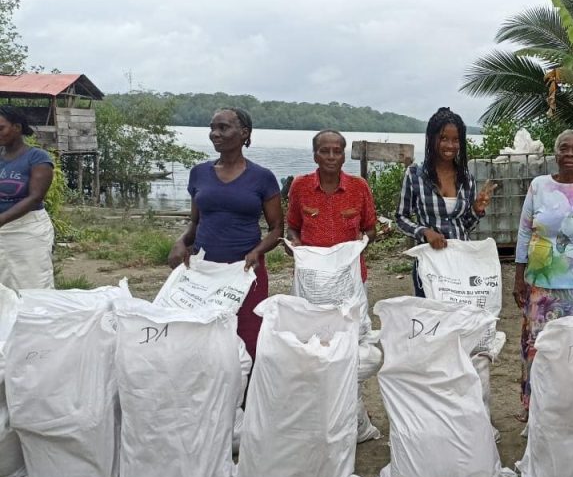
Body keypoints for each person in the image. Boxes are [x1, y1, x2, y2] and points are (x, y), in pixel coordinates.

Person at [167, 108, 283, 361]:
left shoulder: (262, 178)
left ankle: (245, 396)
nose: (214, 134)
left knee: (247, 337)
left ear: (244, 134)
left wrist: (257, 251)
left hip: (245, 272)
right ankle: (210, 395)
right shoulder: (199, 173)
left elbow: (276, 229)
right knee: (202, 335)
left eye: (223, 128)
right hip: (204, 272)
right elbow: (195, 222)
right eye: (212, 128)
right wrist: (181, 242)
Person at [514, 129, 573, 421]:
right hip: (541, 287)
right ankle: (534, 411)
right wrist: (519, 277)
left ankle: (570, 412)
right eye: (564, 149)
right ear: (555, 155)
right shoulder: (539, 186)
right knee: (539, 349)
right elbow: (524, 231)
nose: (570, 154)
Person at [395, 107, 494, 296]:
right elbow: (401, 217)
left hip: (461, 260)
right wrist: (424, 232)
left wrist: (476, 209)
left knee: (460, 318)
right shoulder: (415, 175)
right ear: (432, 139)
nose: (450, 145)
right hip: (430, 262)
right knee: (431, 317)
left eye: (456, 139)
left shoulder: (466, 178)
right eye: (443, 138)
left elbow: (465, 226)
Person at [285, 130, 377, 281]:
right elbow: (292, 227)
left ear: (343, 157)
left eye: (337, 151)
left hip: (350, 273)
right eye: (324, 151)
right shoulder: (300, 186)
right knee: (306, 306)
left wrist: (363, 239)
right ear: (315, 156)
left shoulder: (359, 187)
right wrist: (293, 242)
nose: (331, 157)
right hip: (310, 273)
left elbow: (371, 230)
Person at [0, 107, 56, 290]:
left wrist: (2, 219)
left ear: (17, 127)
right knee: (4, 288)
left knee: (33, 285)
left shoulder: (37, 157)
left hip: (27, 230)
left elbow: (35, 197)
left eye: (1, 128)